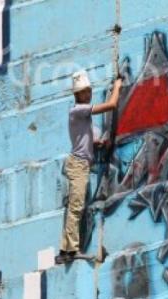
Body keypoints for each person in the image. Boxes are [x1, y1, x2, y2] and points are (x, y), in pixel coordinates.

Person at [56, 70, 122, 264]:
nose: (89, 94)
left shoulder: (80, 114)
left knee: (76, 206)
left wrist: (95, 143)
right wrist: (117, 87)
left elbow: (82, 138)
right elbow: (111, 105)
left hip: (81, 163)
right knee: (76, 207)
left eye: (90, 90)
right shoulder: (78, 110)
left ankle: (67, 250)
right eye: (86, 91)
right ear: (78, 94)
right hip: (78, 164)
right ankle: (69, 251)